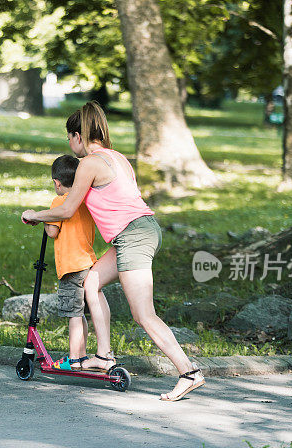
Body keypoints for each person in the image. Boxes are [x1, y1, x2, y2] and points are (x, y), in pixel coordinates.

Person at [21, 101, 205, 401]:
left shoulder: (90, 163)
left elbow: (67, 209)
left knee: (143, 314)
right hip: (137, 232)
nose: (69, 144)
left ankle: (189, 373)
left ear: (78, 136)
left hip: (133, 235)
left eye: (70, 137)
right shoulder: (116, 157)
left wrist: (33, 214)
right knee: (90, 282)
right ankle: (104, 357)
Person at [41, 154, 108, 371]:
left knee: (73, 314)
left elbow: (52, 231)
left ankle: (74, 359)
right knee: (80, 313)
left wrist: (41, 218)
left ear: (56, 183)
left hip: (70, 267)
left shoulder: (60, 202)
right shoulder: (83, 201)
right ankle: (81, 354)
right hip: (88, 263)